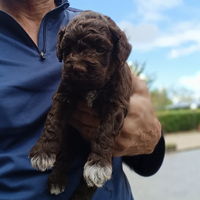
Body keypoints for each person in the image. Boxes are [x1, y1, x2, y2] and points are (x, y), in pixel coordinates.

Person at [0, 0, 165, 199]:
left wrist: (152, 140)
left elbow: (145, 158)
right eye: (69, 50)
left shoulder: (97, 23)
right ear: (61, 49)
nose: (78, 64)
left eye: (99, 50)